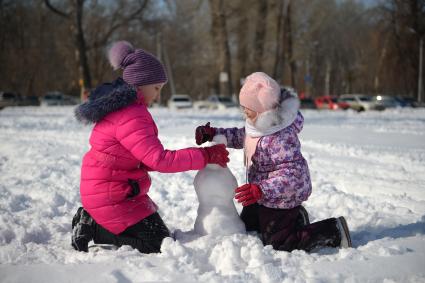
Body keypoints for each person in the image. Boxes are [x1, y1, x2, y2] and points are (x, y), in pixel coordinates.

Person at [71, 41, 230, 253]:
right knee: (157, 244)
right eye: (156, 88)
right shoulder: (130, 115)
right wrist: (206, 155)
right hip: (109, 195)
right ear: (139, 83)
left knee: (161, 237)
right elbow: (159, 160)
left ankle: (95, 218)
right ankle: (93, 226)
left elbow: (147, 157)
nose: (158, 95)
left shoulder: (127, 109)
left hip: (119, 191)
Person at [195, 72, 352, 252]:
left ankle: (334, 230)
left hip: (281, 195)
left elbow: (292, 176)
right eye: (243, 107)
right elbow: (241, 137)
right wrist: (213, 133)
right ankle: (296, 217)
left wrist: (262, 190)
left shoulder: (281, 138)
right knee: (248, 226)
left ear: (264, 112)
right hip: (261, 193)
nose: (244, 112)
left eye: (248, 109)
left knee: (279, 243)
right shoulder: (259, 125)